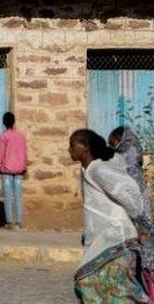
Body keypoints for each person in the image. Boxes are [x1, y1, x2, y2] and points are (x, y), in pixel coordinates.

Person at [69, 128, 149, 302]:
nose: (70, 150)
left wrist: (135, 218)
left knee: (97, 284)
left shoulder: (98, 171)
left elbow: (128, 198)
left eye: (73, 145)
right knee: (99, 286)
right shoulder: (88, 170)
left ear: (85, 147)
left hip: (118, 237)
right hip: (105, 238)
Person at [108, 127, 154, 299]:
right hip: (139, 213)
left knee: (141, 258)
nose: (110, 146)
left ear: (121, 140)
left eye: (111, 142)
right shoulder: (130, 155)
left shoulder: (127, 158)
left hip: (136, 215)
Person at [0, 112, 28, 230]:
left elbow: (1, 154)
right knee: (18, 196)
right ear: (14, 122)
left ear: (4, 123)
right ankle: (19, 222)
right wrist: (25, 167)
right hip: (19, 169)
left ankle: (9, 222)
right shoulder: (21, 136)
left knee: (7, 196)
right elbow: (24, 153)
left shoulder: (3, 136)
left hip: (6, 170)